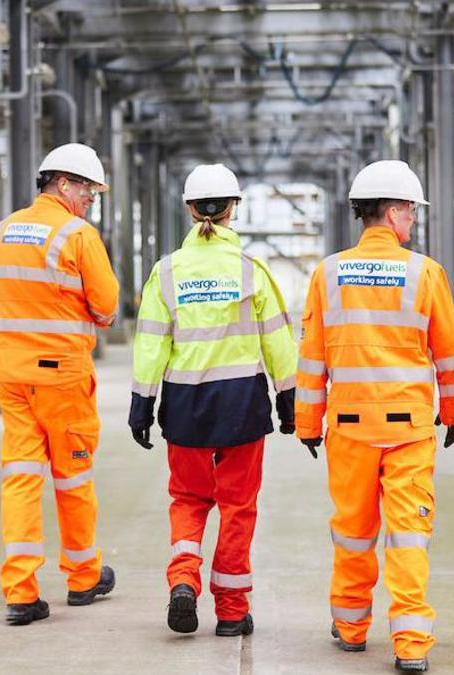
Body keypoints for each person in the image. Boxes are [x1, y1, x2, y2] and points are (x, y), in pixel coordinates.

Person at [295, 160, 454, 673]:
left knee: (352, 530)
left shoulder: (328, 273)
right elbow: (448, 355)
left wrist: (308, 423)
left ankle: (351, 626)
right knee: (409, 534)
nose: (413, 219)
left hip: (349, 426)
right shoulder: (425, 273)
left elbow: (312, 357)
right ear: (392, 212)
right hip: (409, 428)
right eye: (410, 210)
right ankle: (411, 642)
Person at [129, 163, 298, 637]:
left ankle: (184, 578)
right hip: (242, 406)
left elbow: (151, 344)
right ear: (233, 209)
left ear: (189, 209)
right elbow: (279, 343)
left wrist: (142, 406)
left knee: (188, 499)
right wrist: (289, 403)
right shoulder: (251, 271)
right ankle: (231, 611)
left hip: (185, 407)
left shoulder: (166, 272)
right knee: (238, 507)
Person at [0, 142, 120, 626]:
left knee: (21, 476)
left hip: (11, 373)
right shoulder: (77, 235)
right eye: (88, 191)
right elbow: (106, 308)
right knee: (73, 476)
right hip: (61, 376)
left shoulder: (2, 232)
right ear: (63, 183)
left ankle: (20, 592)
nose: (90, 201)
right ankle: (83, 577)